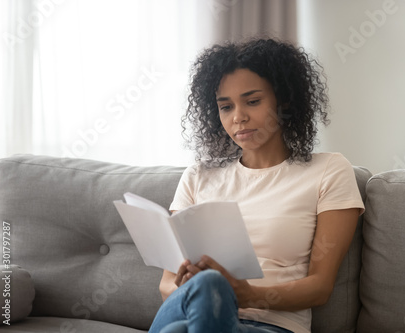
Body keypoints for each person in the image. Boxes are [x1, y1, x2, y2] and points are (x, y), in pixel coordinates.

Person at [148, 38, 365, 333]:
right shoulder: (199, 176)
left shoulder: (328, 171)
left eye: (252, 101)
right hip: (189, 311)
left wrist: (248, 295)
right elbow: (166, 285)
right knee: (204, 291)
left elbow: (320, 287)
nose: (239, 117)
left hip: (271, 327)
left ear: (284, 101)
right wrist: (190, 287)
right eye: (226, 107)